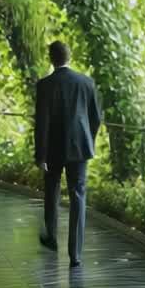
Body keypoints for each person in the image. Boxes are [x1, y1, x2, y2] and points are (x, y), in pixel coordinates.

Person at [34, 40, 102, 268]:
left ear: (51, 59)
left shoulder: (45, 85)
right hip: (79, 148)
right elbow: (96, 118)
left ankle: (52, 237)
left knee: (51, 191)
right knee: (78, 196)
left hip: (53, 148)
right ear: (69, 56)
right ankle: (76, 254)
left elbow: (41, 122)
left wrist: (40, 155)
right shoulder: (86, 82)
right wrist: (87, 140)